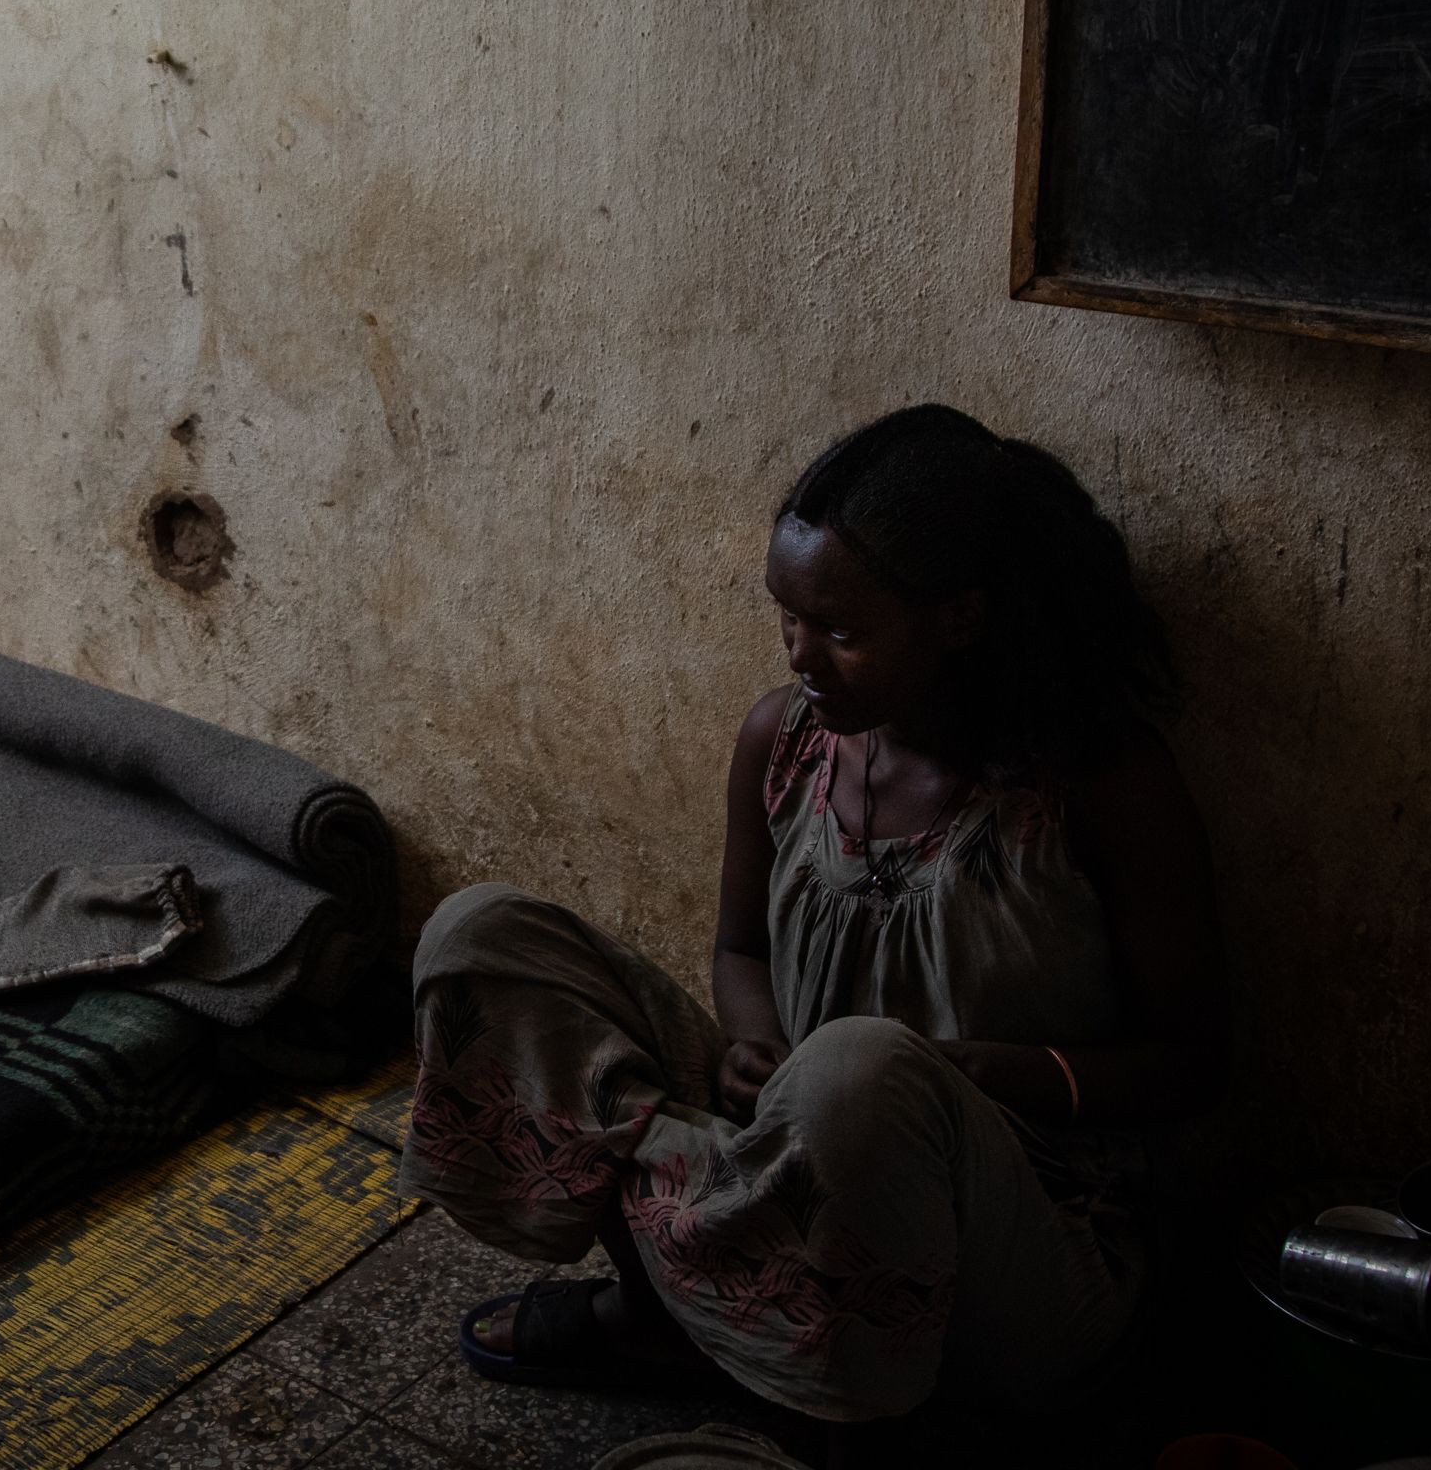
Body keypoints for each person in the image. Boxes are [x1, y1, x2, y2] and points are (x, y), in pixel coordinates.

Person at [400, 404, 1229, 1424]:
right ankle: (695, 1313)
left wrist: (994, 1074)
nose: (800, 655)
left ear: (959, 618)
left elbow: (1192, 1060)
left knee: (859, 1075)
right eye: (786, 617)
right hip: (790, 1141)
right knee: (483, 935)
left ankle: (834, 1377)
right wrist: (751, 1037)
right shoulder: (784, 739)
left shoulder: (1101, 785)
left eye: (840, 630)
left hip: (1022, 1234)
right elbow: (740, 945)